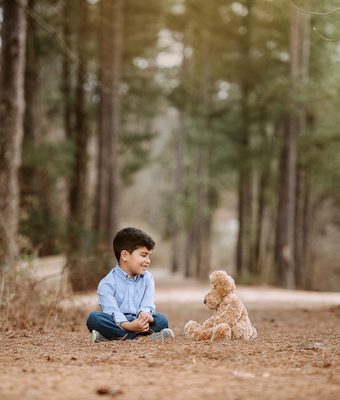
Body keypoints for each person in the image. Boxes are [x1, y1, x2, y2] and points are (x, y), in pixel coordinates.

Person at [86, 227, 175, 342]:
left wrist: (145, 314)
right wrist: (128, 325)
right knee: (94, 319)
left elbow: (147, 304)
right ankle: (143, 338)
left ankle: (108, 338)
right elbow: (111, 309)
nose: (148, 261)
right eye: (143, 255)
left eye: (149, 256)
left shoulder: (148, 279)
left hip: (141, 322)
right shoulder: (106, 283)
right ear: (124, 255)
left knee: (162, 320)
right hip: (117, 322)